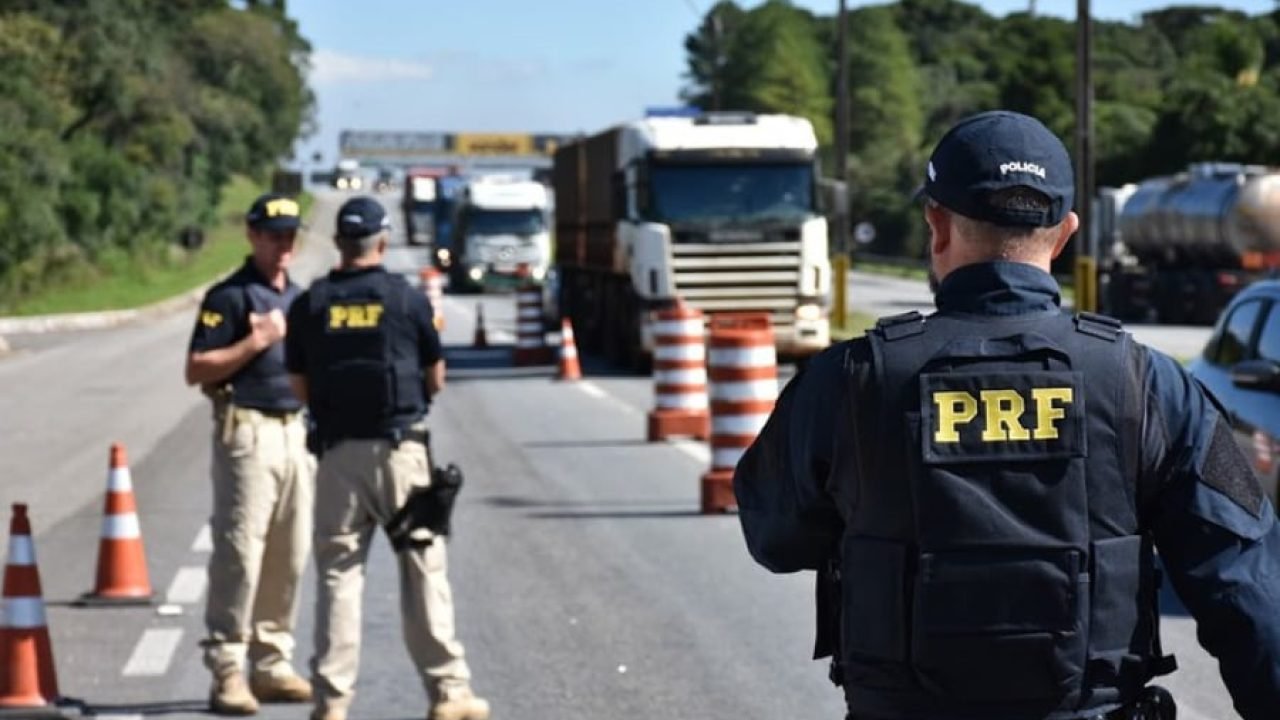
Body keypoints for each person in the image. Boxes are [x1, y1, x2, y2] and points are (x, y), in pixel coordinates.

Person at [734, 110, 1280, 720]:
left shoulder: (848, 382)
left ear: (936, 225)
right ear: (1066, 233)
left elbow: (774, 537)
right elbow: (1249, 592)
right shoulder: (1148, 385)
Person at [284, 196, 490, 720]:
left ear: (338, 243)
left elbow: (299, 384)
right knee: (423, 569)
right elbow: (435, 377)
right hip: (401, 453)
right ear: (381, 241)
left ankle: (331, 700)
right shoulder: (406, 299)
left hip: (336, 457)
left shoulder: (310, 304)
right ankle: (448, 692)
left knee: (338, 575)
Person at [185, 192, 315, 714]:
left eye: (289, 235)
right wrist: (254, 343)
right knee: (241, 550)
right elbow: (196, 369)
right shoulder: (230, 298)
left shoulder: (301, 299)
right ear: (252, 236)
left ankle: (272, 660)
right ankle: (227, 667)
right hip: (248, 427)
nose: (283, 244)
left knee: (291, 550)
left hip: (294, 430)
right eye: (273, 234)